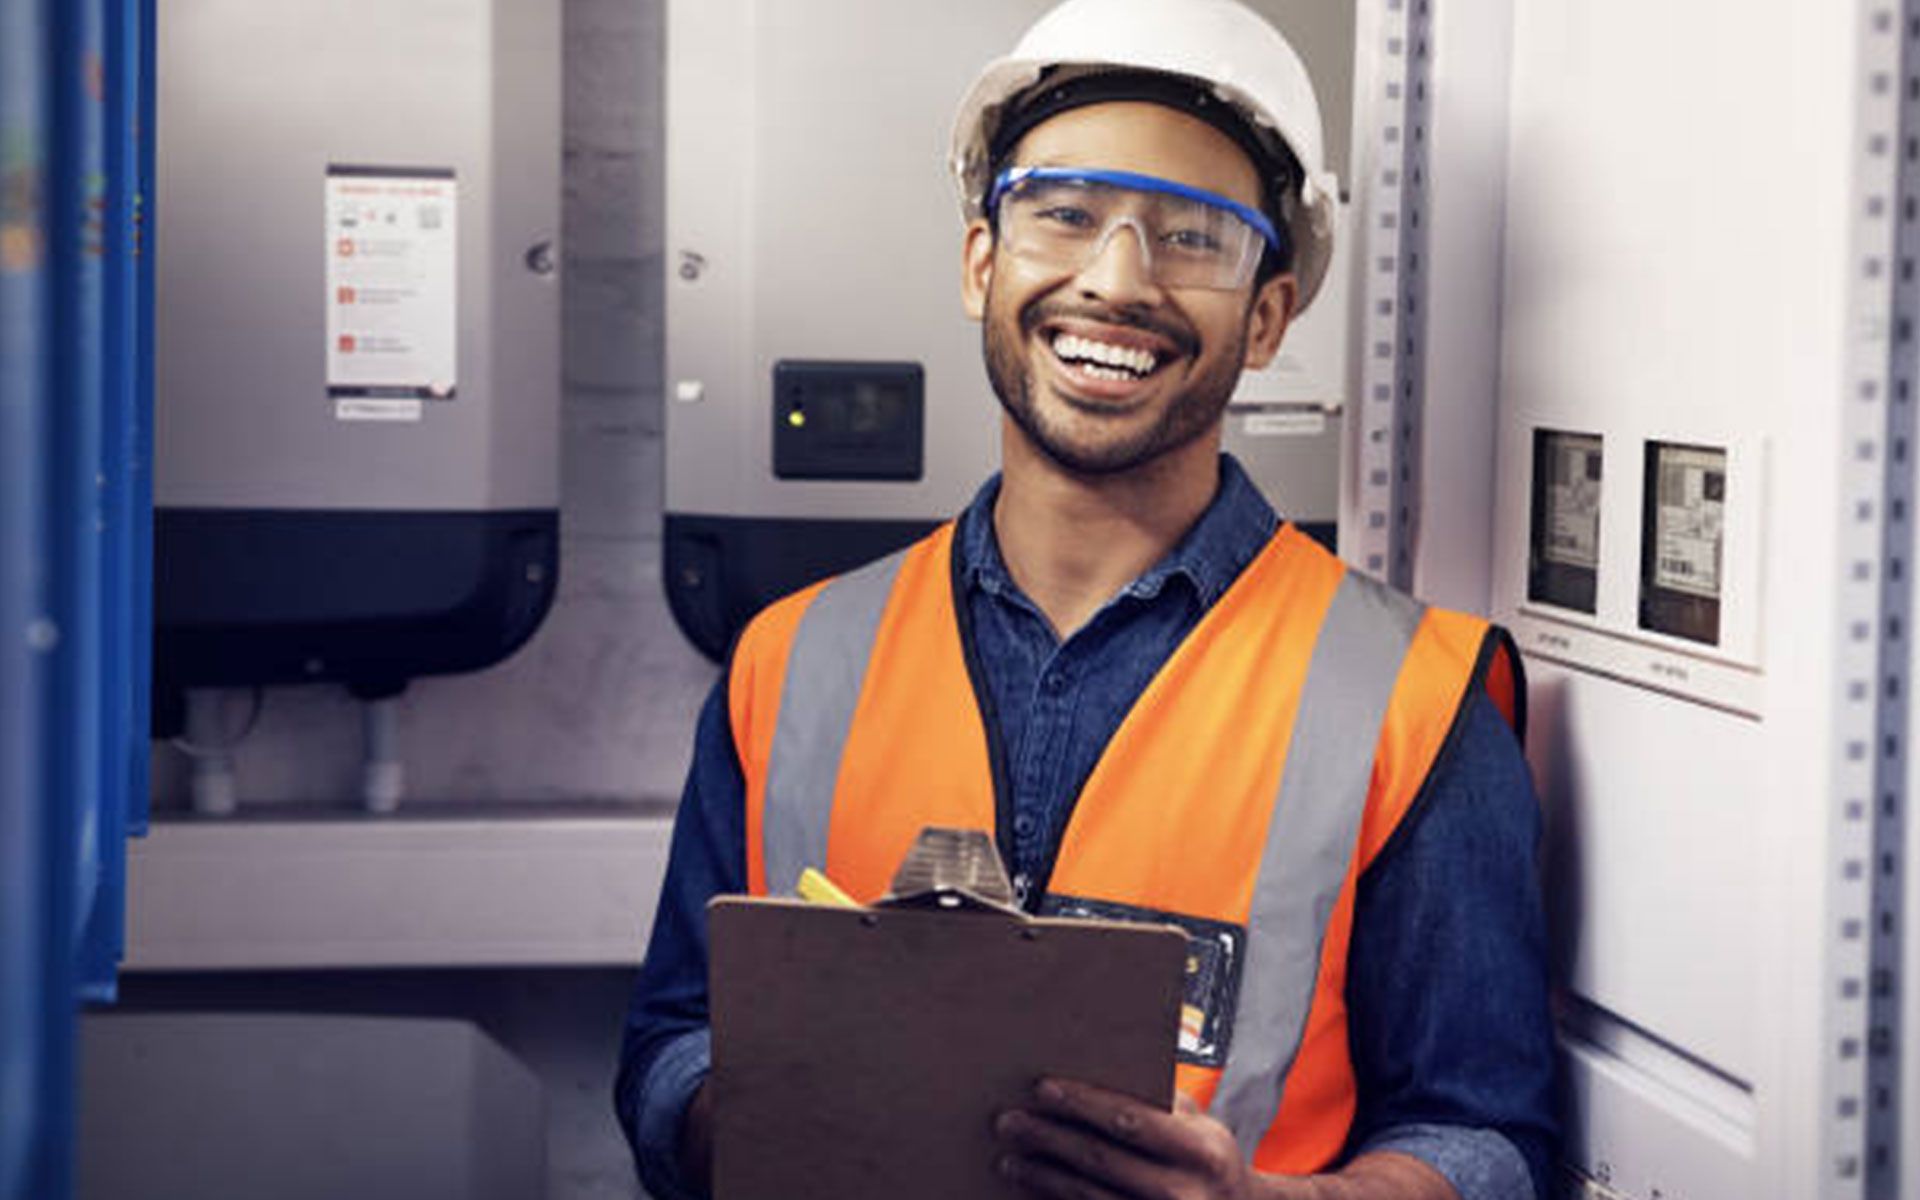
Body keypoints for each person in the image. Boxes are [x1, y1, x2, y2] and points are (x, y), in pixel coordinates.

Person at [616, 1, 1557, 1197]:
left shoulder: (1416, 699)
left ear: (1267, 316)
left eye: (1193, 236)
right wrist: (764, 1119)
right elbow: (671, 1044)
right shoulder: (789, 661)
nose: (1116, 281)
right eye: (1063, 213)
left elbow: (1485, 1141)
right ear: (983, 263)